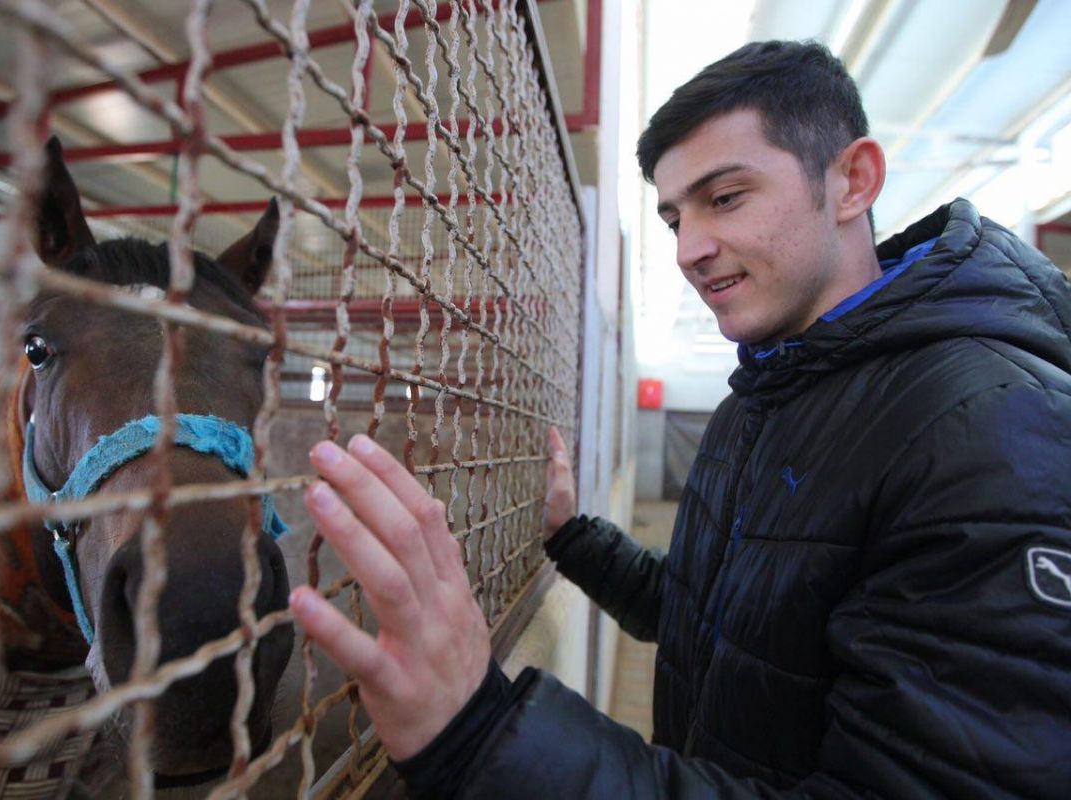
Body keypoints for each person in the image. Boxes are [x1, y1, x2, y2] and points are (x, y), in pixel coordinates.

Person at [289, 40, 1071, 798]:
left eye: (726, 198)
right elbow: (712, 621)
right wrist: (573, 538)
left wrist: (481, 734)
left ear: (852, 181)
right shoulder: (757, 404)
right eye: (672, 220)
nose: (691, 248)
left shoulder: (992, 426)